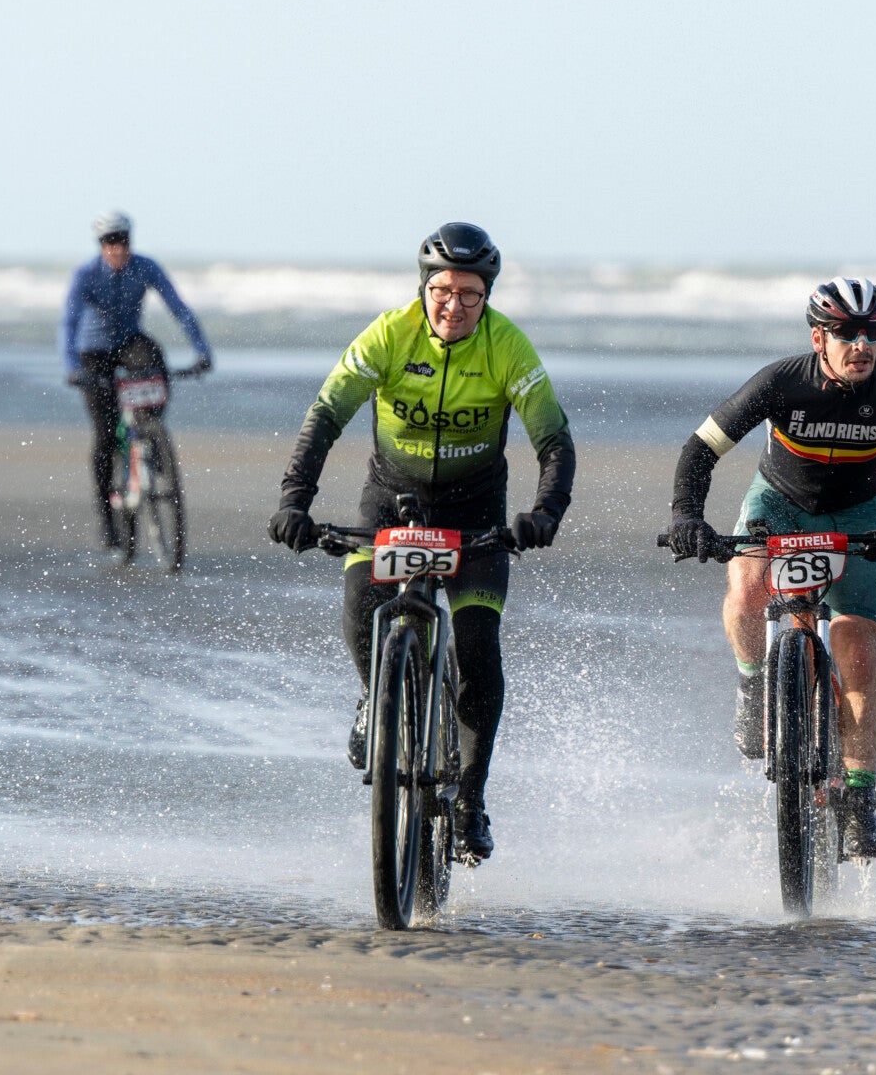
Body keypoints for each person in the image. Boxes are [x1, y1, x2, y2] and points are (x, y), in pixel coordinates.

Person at [266, 224, 576, 863]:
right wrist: (294, 501)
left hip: (475, 514)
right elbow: (324, 417)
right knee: (361, 605)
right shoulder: (389, 335)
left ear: (486, 297)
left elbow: (554, 442)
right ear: (423, 288)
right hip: (391, 503)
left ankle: (470, 800)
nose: (453, 306)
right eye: (442, 291)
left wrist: (544, 513)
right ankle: (373, 698)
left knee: (477, 649)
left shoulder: (507, 347)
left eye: (469, 294)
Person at [666, 278, 876, 860]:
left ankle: (859, 798)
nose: (862, 345)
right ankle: (753, 684)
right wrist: (687, 517)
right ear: (818, 338)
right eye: (846, 333)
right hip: (779, 503)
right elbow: (700, 449)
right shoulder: (782, 381)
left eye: (873, 333)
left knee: (859, 650)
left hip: (858, 515)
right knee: (747, 588)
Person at [61, 211, 213, 548]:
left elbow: (178, 308)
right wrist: (72, 367)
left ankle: (151, 432)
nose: (118, 248)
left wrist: (202, 351)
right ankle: (107, 518)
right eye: (110, 241)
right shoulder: (86, 275)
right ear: (101, 244)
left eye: (123, 240)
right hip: (93, 351)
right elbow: (68, 323)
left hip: (129, 343)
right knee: (105, 434)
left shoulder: (145, 267)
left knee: (154, 359)